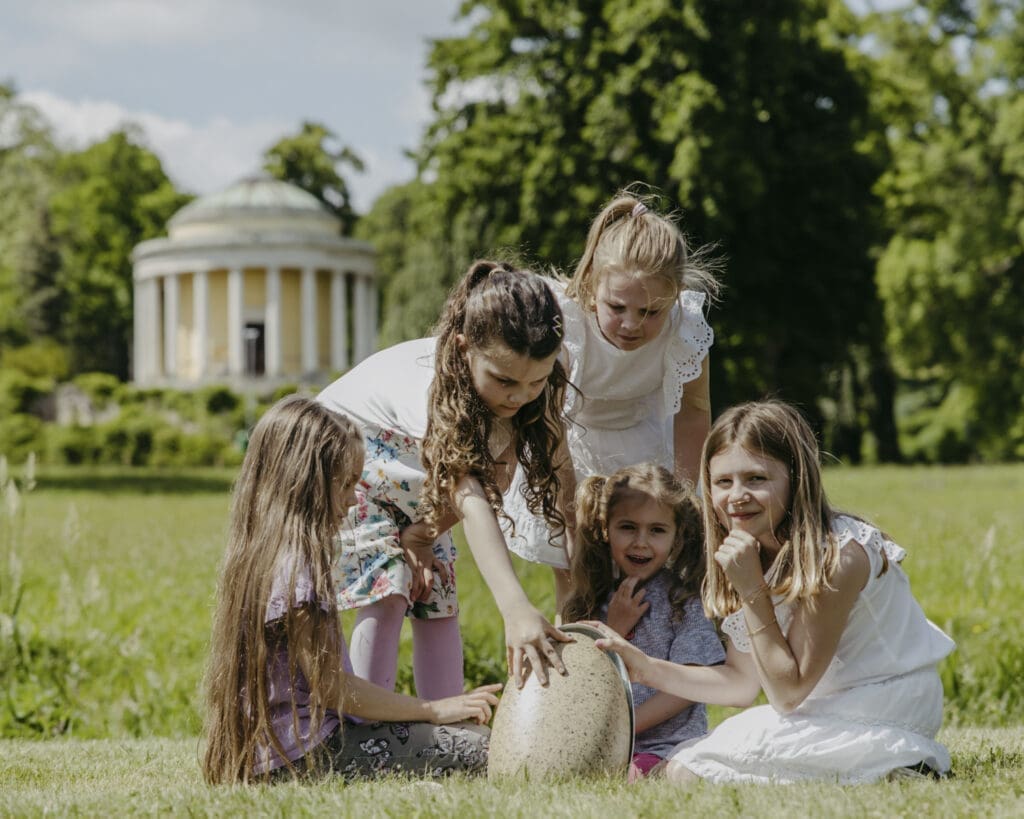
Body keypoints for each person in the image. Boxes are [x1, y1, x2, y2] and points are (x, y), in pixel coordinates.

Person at [594, 400, 956, 784]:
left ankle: (892, 761)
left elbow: (788, 691)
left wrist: (752, 589)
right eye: (723, 482)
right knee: (687, 762)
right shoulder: (751, 551)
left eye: (756, 479)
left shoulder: (839, 555)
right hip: (818, 708)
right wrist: (647, 669)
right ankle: (873, 768)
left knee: (688, 772)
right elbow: (740, 683)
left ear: (796, 479)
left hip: (883, 704)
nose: (737, 496)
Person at [202, 395, 501, 784]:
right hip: (310, 755)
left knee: (464, 738)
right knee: (485, 748)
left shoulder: (263, 554)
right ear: (302, 483)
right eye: (344, 484)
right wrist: (432, 709)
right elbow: (333, 688)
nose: (353, 498)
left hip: (280, 754)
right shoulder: (298, 569)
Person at [317, 260, 576, 698]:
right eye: (504, 380)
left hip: (412, 473)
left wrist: (422, 535)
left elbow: (502, 475)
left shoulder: (544, 369)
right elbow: (468, 495)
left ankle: (448, 716)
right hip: (345, 462)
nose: (520, 395)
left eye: (536, 382)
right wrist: (515, 607)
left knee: (435, 590)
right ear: (463, 348)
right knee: (390, 586)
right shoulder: (431, 387)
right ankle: (365, 719)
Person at [503, 187, 719, 573]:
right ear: (592, 286)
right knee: (577, 570)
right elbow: (551, 429)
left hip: (644, 444)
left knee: (649, 564)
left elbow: (693, 413)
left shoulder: (685, 329)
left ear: (674, 297)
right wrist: (573, 523)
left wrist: (685, 499)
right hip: (566, 450)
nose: (631, 324)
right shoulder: (564, 326)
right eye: (617, 307)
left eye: (651, 311)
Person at [562, 463, 725, 782]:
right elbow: (581, 681)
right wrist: (615, 629)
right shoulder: (592, 599)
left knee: (630, 777)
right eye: (628, 527)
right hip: (606, 744)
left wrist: (626, 725)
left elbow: (689, 688)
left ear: (677, 536)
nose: (641, 542)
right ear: (605, 529)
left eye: (657, 530)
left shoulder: (684, 602)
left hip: (668, 746)